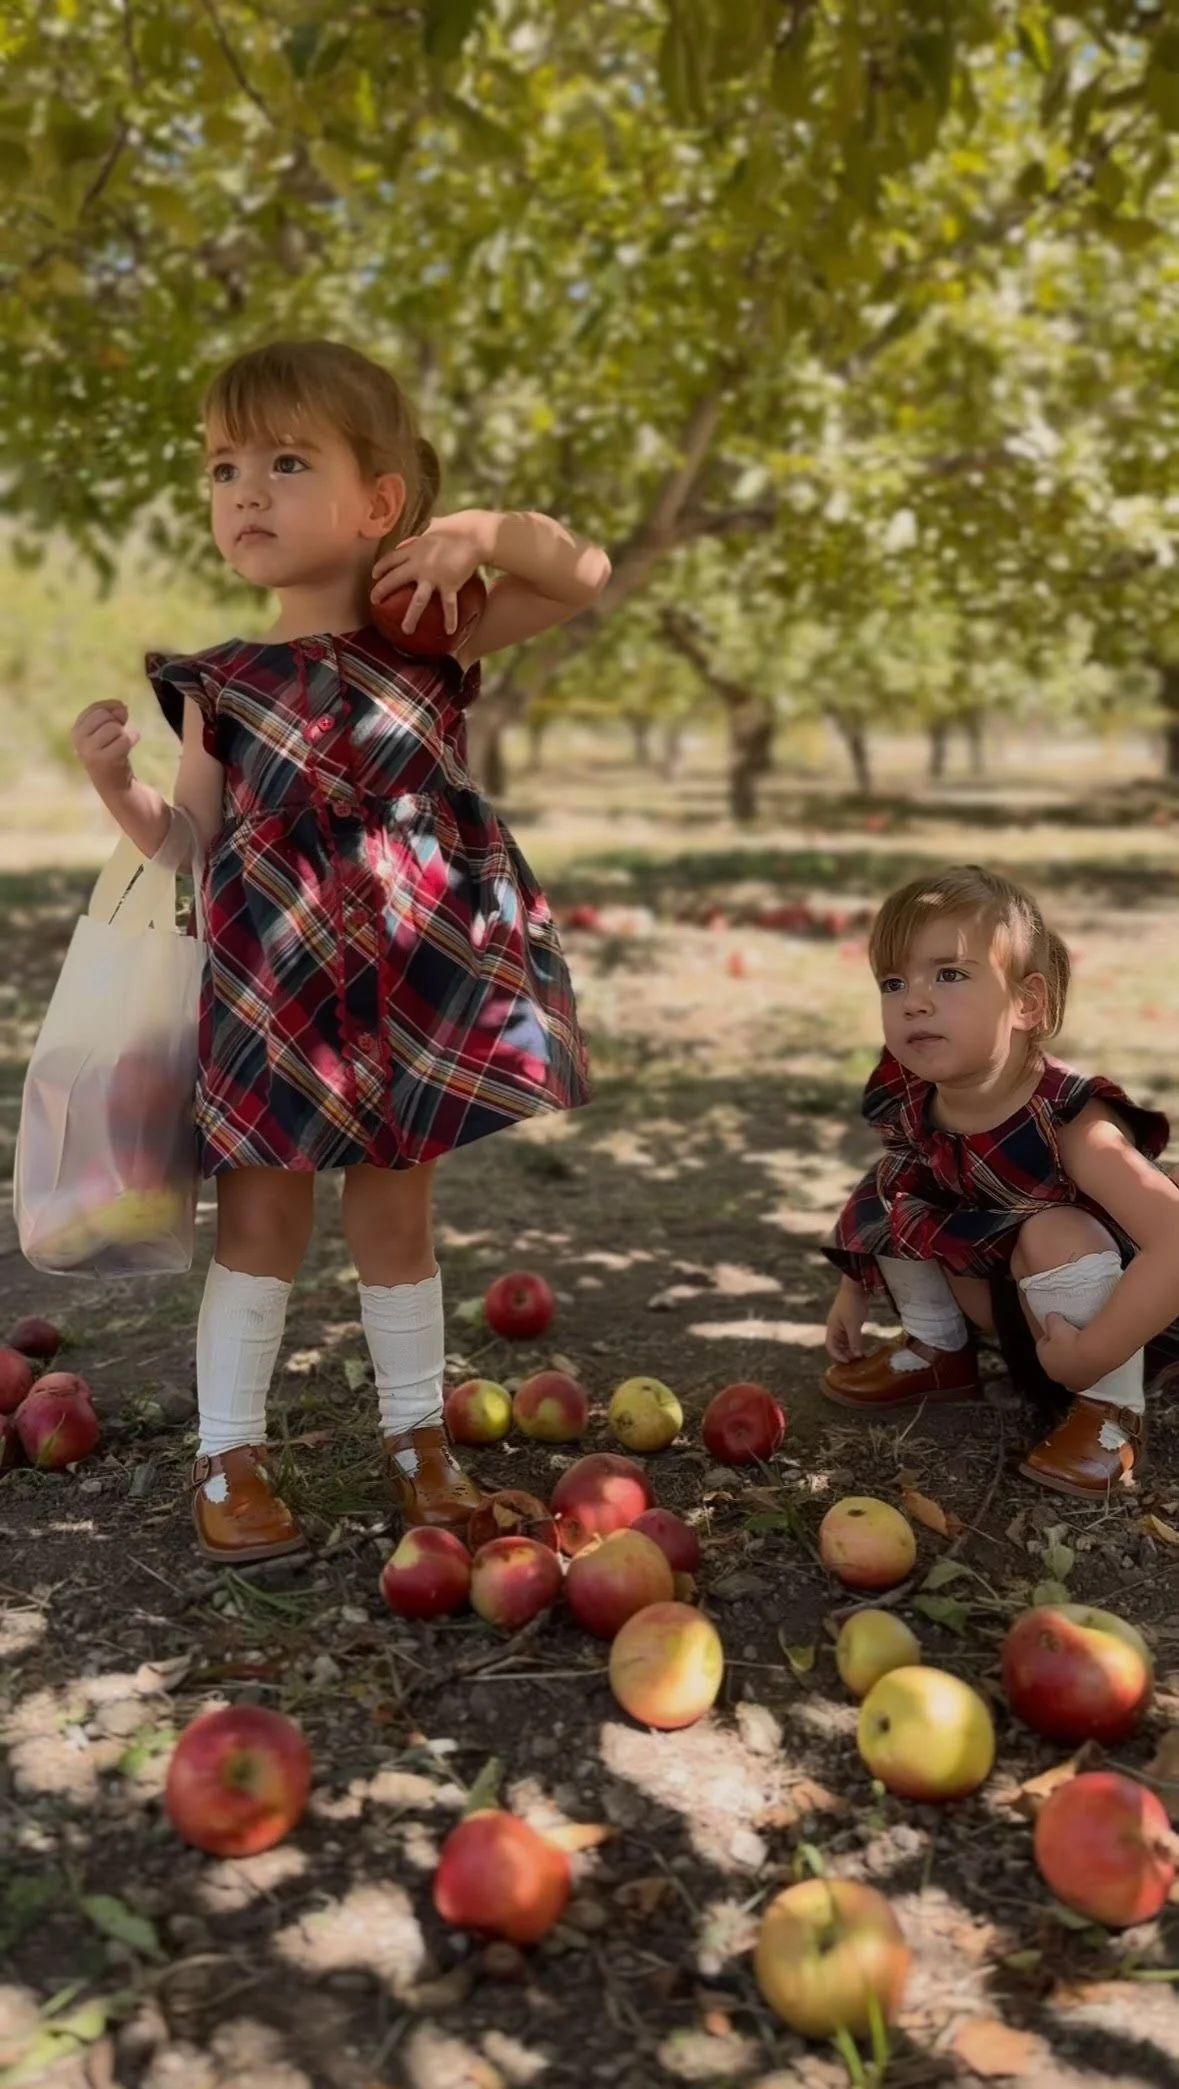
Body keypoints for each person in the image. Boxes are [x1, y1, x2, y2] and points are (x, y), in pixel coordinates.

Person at [71, 338, 610, 1563]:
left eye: (285, 460)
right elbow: (189, 846)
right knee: (263, 1222)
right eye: (223, 468)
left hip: (416, 978)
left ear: (379, 503)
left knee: (397, 1218)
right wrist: (118, 789)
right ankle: (228, 1452)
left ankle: (419, 1437)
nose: (245, 491)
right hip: (277, 996)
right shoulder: (221, 681)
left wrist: (475, 527)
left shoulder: (426, 629)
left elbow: (584, 571)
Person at [823, 865, 1179, 1497]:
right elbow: (894, 1190)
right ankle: (939, 1349)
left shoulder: (1068, 1118)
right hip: (1014, 1307)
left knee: (1056, 1230)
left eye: (950, 974)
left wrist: (1095, 1350)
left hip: (1115, 1323)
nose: (915, 1000)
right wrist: (855, 1288)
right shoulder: (915, 1095)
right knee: (901, 1186)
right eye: (893, 981)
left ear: (1026, 1003)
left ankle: (1112, 1414)